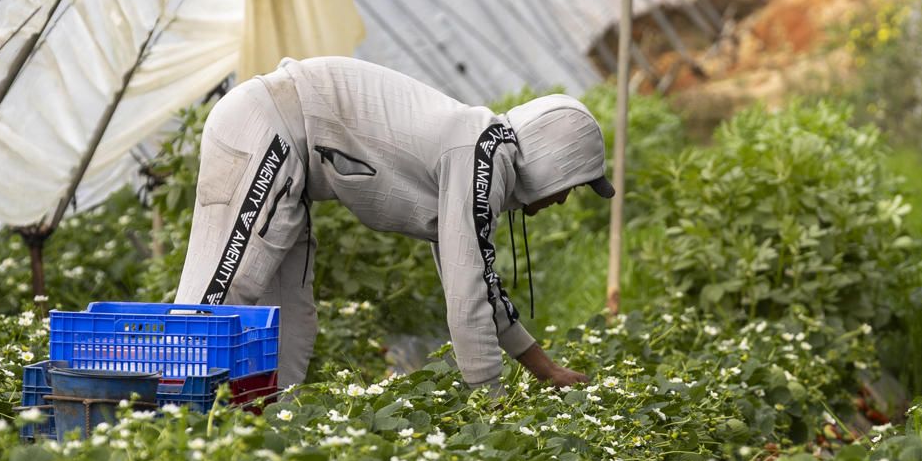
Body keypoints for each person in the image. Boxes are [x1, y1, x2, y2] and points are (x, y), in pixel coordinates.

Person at [175, 57, 612, 390]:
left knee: (289, 322)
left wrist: (547, 370)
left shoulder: (483, 153)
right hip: (264, 126)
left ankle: (259, 438)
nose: (563, 199)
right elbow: (468, 299)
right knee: (222, 294)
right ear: (556, 163)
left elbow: (480, 282)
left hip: (294, 158)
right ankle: (165, 414)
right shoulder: (482, 154)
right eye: (573, 184)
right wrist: (491, 407)